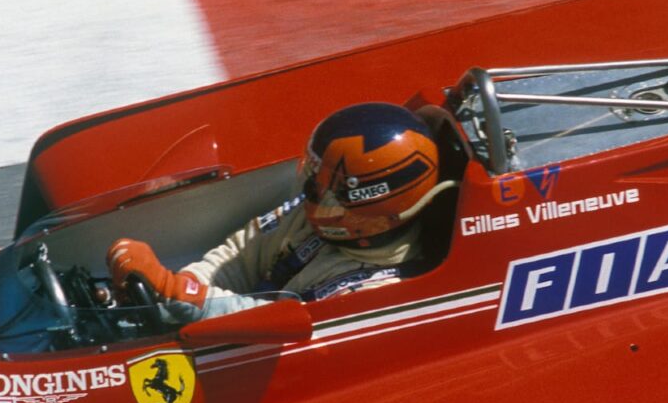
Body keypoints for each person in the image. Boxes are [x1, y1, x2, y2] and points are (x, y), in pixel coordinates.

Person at [106, 102, 457, 320]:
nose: (308, 192)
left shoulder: (374, 293)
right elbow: (238, 258)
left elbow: (275, 324)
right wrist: (180, 286)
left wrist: (174, 291)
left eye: (322, 189)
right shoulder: (320, 214)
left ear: (373, 208)